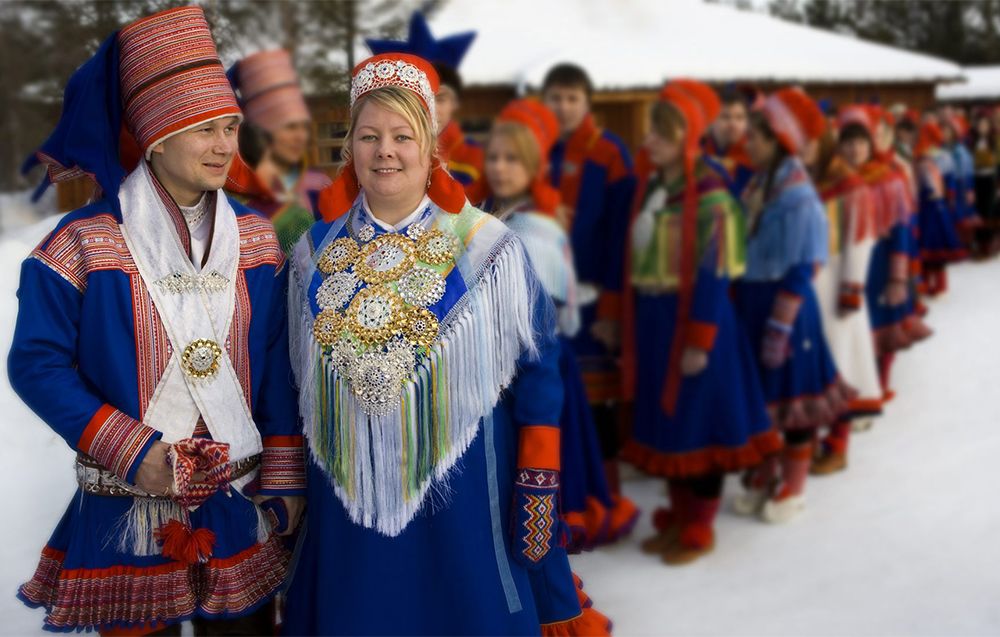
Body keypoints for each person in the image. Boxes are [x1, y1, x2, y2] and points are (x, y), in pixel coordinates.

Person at [281, 53, 606, 636]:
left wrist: (537, 475)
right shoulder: (311, 254)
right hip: (350, 507)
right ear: (349, 146)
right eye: (369, 135)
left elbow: (540, 369)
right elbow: (292, 382)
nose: (386, 151)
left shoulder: (489, 248)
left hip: (463, 500)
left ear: (431, 145)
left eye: (403, 136)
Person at [10, 7, 305, 635]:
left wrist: (283, 470)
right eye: (205, 130)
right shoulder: (80, 244)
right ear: (156, 137)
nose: (226, 145)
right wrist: (131, 450)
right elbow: (35, 363)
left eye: (231, 127)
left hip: (239, 501)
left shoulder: (255, 240)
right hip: (129, 503)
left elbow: (278, 363)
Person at [621, 80, 779, 563]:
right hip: (655, 321)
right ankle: (680, 510)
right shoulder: (654, 187)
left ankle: (701, 522)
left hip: (693, 322)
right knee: (669, 422)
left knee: (701, 424)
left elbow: (713, 274)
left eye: (661, 135)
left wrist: (700, 340)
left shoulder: (711, 194)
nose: (650, 142)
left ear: (686, 138)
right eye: (651, 133)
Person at [480, 99, 639, 552]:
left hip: (531, 365)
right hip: (497, 367)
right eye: (494, 157)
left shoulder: (539, 231)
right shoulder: (487, 217)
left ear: (533, 166)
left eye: (512, 159)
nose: (500, 167)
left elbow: (539, 323)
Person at [732, 88, 854, 523]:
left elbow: (804, 265)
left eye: (756, 138)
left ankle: (794, 487)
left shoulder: (799, 198)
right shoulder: (759, 183)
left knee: (795, 401)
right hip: (753, 302)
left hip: (786, 309)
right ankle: (765, 476)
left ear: (780, 140)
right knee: (766, 399)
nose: (747, 144)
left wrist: (781, 325)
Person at [542, 63, 637, 505]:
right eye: (555, 98)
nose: (563, 107)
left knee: (598, 404)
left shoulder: (611, 154)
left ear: (588, 103)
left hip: (596, 303)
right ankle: (568, 497)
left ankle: (607, 497)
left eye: (572, 98)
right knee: (550, 399)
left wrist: (615, 310)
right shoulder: (535, 151)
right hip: (543, 304)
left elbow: (623, 238)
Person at [809, 108, 882, 474]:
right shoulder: (807, 179)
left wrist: (851, 290)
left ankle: (838, 443)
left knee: (843, 365)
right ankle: (812, 442)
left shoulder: (849, 184)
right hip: (812, 287)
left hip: (837, 288)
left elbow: (861, 240)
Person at [366, 11, 485, 198]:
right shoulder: (376, 156)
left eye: (440, 98)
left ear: (455, 103)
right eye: (417, 97)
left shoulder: (482, 161)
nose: (428, 108)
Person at [227, 49, 331, 253]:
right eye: (290, 127)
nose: (301, 136)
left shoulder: (318, 186)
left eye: (303, 126)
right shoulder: (233, 199)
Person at [915, 120, 967, 296]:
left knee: (937, 243)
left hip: (937, 206)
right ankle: (927, 281)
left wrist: (948, 195)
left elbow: (951, 179)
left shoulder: (943, 156)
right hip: (925, 205)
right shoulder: (919, 157)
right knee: (926, 244)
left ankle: (939, 282)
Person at [703, 84, 756, 198]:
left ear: (747, 123)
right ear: (711, 121)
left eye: (740, 118)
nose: (733, 124)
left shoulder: (753, 160)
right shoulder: (697, 154)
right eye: (725, 117)